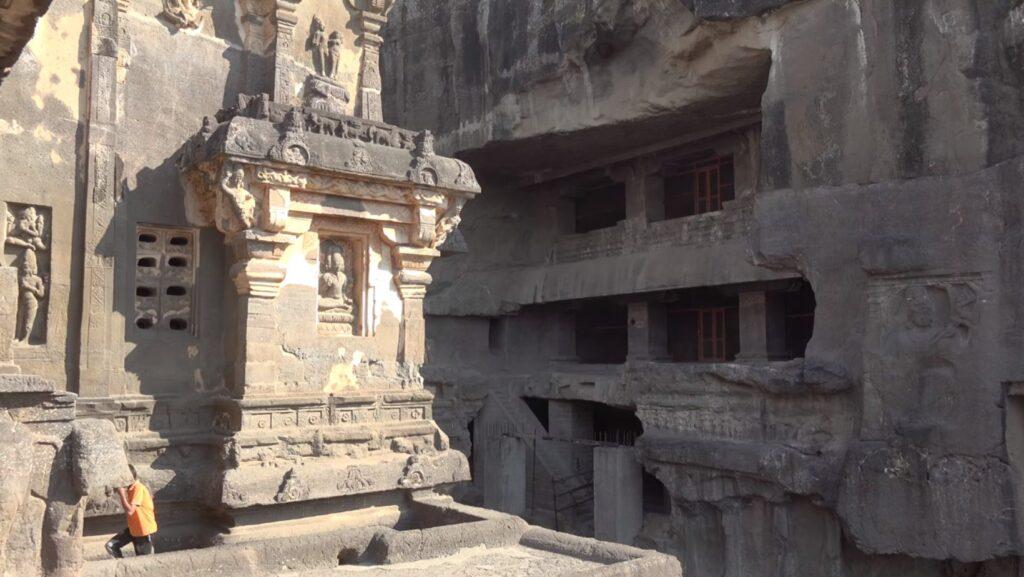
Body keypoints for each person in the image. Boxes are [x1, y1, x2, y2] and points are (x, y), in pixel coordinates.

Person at [105, 465, 158, 558]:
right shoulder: (130, 489)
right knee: (111, 546)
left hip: (144, 531)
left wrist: (121, 494)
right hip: (134, 529)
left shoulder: (138, 488)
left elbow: (130, 511)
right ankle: (123, 567)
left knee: (144, 562)